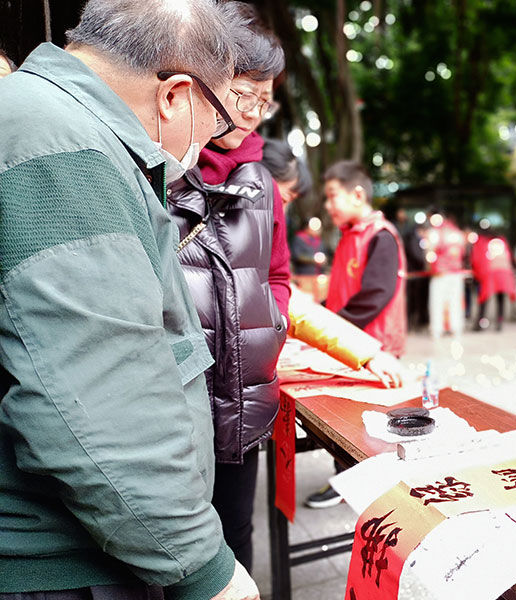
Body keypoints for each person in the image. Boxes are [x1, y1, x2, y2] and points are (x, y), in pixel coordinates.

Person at [0, 0, 259, 598]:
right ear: (175, 95)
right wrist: (204, 568)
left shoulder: (55, 123)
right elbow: (100, 388)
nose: (210, 141)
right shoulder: (60, 144)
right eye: (215, 119)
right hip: (60, 562)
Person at [165, 1, 291, 575]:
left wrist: (271, 323)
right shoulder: (160, 168)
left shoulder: (264, 181)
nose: (254, 113)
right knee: (173, 548)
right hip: (175, 403)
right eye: (245, 94)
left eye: (264, 99)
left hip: (244, 398)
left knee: (236, 533)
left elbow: (278, 276)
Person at [306, 160, 407, 508]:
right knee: (348, 420)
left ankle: (364, 486)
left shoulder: (381, 236)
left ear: (358, 194)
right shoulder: (351, 234)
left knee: (367, 422)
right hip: (350, 343)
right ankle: (352, 480)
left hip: (371, 345)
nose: (329, 205)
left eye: (333, 196)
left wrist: (332, 327)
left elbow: (375, 295)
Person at [424, 208, 467, 339]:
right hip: (456, 272)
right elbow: (463, 251)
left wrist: (429, 266)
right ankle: (456, 327)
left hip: (440, 273)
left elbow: (429, 253)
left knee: (437, 301)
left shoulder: (434, 233)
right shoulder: (456, 232)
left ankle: (437, 329)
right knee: (455, 301)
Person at [470, 225, 516, 331]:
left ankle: (481, 322)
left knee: (484, 298)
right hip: (504, 272)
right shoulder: (501, 240)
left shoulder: (481, 241)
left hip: (489, 273)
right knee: (500, 299)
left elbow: (477, 259)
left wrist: (478, 275)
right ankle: (499, 322)